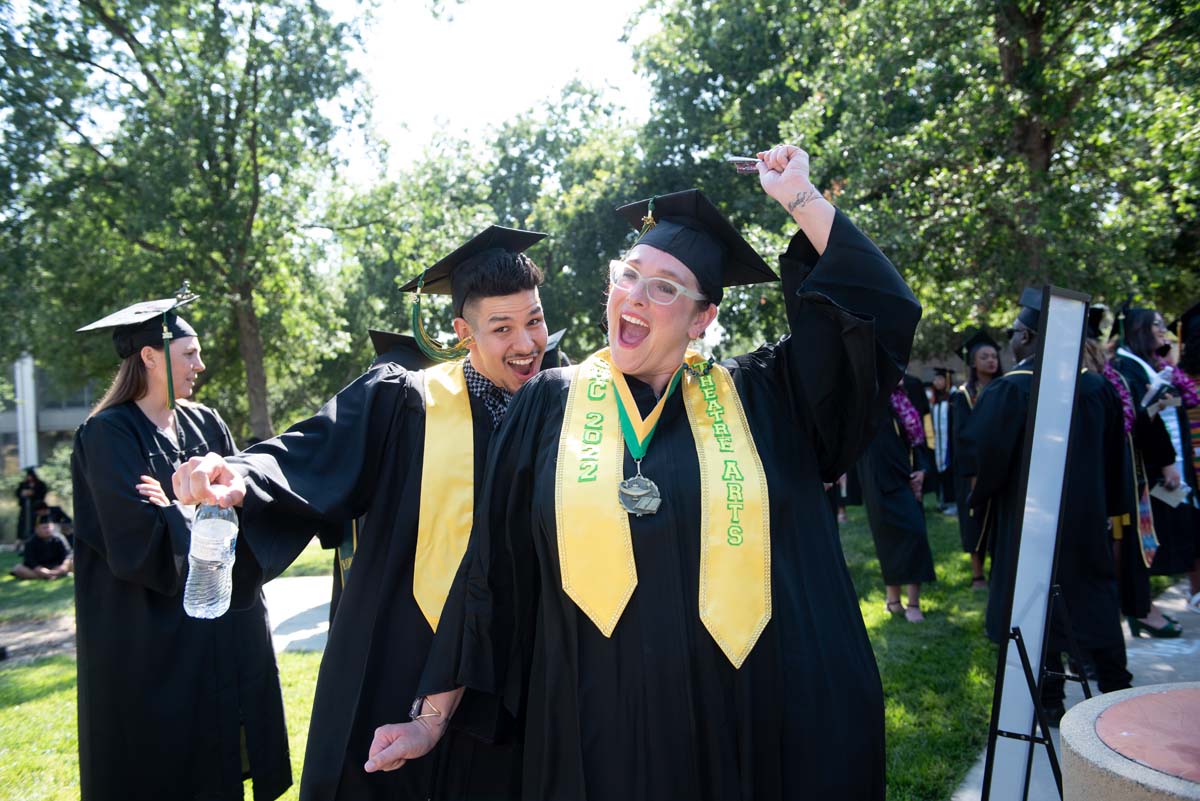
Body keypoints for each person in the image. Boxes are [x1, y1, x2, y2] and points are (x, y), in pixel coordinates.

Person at [365, 145, 922, 800]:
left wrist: (801, 196)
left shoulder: (768, 398)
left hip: (750, 731)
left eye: (665, 288)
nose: (635, 296)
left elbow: (875, 313)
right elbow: (494, 571)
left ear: (703, 317)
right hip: (595, 740)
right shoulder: (548, 404)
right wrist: (430, 720)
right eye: (628, 275)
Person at [172, 227, 562, 801]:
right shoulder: (404, 401)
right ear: (463, 333)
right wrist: (237, 476)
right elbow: (309, 452)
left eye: (533, 320)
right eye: (501, 328)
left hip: (516, 665)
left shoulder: (564, 408)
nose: (526, 342)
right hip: (403, 653)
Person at [71, 292, 291, 801]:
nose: (201, 364)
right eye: (189, 353)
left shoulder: (206, 422)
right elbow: (133, 542)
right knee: (166, 762)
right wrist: (194, 509)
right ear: (149, 357)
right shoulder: (107, 435)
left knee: (227, 751)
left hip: (224, 622)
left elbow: (242, 504)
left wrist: (174, 505)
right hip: (151, 631)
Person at [964, 289, 1131, 723]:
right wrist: (1110, 507)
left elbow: (985, 459)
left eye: (1016, 333)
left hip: (1028, 525)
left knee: (1036, 605)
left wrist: (980, 499)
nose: (1012, 341)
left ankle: (1051, 700)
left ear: (1031, 336)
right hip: (1086, 522)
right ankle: (1116, 691)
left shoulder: (1011, 390)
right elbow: (1118, 460)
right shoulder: (1096, 388)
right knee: (1092, 598)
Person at [1112, 306, 1190, 636]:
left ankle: (1143, 606)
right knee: (1139, 542)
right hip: (1140, 470)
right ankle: (1142, 608)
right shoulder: (1124, 366)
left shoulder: (1144, 363)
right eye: (1156, 325)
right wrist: (1167, 460)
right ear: (1139, 329)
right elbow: (1143, 420)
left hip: (1153, 466)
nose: (1162, 330)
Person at [857, 376, 937, 622]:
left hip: (909, 476)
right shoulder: (868, 391)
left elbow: (923, 434)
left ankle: (914, 602)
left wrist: (922, 471)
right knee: (887, 539)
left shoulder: (911, 388)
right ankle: (893, 600)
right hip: (877, 478)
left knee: (915, 533)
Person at [951, 330, 1003, 589]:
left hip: (1001, 467)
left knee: (1000, 520)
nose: (991, 360)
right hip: (974, 471)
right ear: (973, 362)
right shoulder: (964, 395)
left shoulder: (1006, 387)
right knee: (975, 518)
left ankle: (1001, 570)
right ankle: (977, 574)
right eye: (985, 357)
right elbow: (962, 438)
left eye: (994, 356)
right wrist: (972, 475)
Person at [1170, 301, 1200, 612]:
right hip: (1190, 461)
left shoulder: (1179, 375)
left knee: (1195, 525)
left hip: (1188, 461)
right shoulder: (1178, 377)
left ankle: (1195, 590)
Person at [9, 511, 72, 580]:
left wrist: (62, 567)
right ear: (37, 529)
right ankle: (51, 576)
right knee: (18, 569)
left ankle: (54, 574)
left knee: (73, 562)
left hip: (57, 566)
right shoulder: (30, 542)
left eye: (49, 527)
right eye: (44, 528)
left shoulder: (59, 538)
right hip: (38, 569)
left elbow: (67, 555)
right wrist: (43, 571)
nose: (47, 530)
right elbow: (30, 561)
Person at [929, 367, 955, 514]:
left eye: (940, 379)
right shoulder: (935, 400)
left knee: (949, 471)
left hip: (949, 443)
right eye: (936, 379)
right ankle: (943, 501)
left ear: (947, 380)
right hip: (938, 443)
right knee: (939, 473)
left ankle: (953, 503)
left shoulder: (953, 398)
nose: (937, 382)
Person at [14, 468, 48, 545]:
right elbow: (18, 493)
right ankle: (21, 540)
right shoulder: (23, 484)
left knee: (35, 523)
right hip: (25, 509)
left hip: (36, 509)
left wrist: (33, 492)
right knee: (22, 524)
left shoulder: (40, 484)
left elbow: (42, 494)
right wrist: (23, 493)